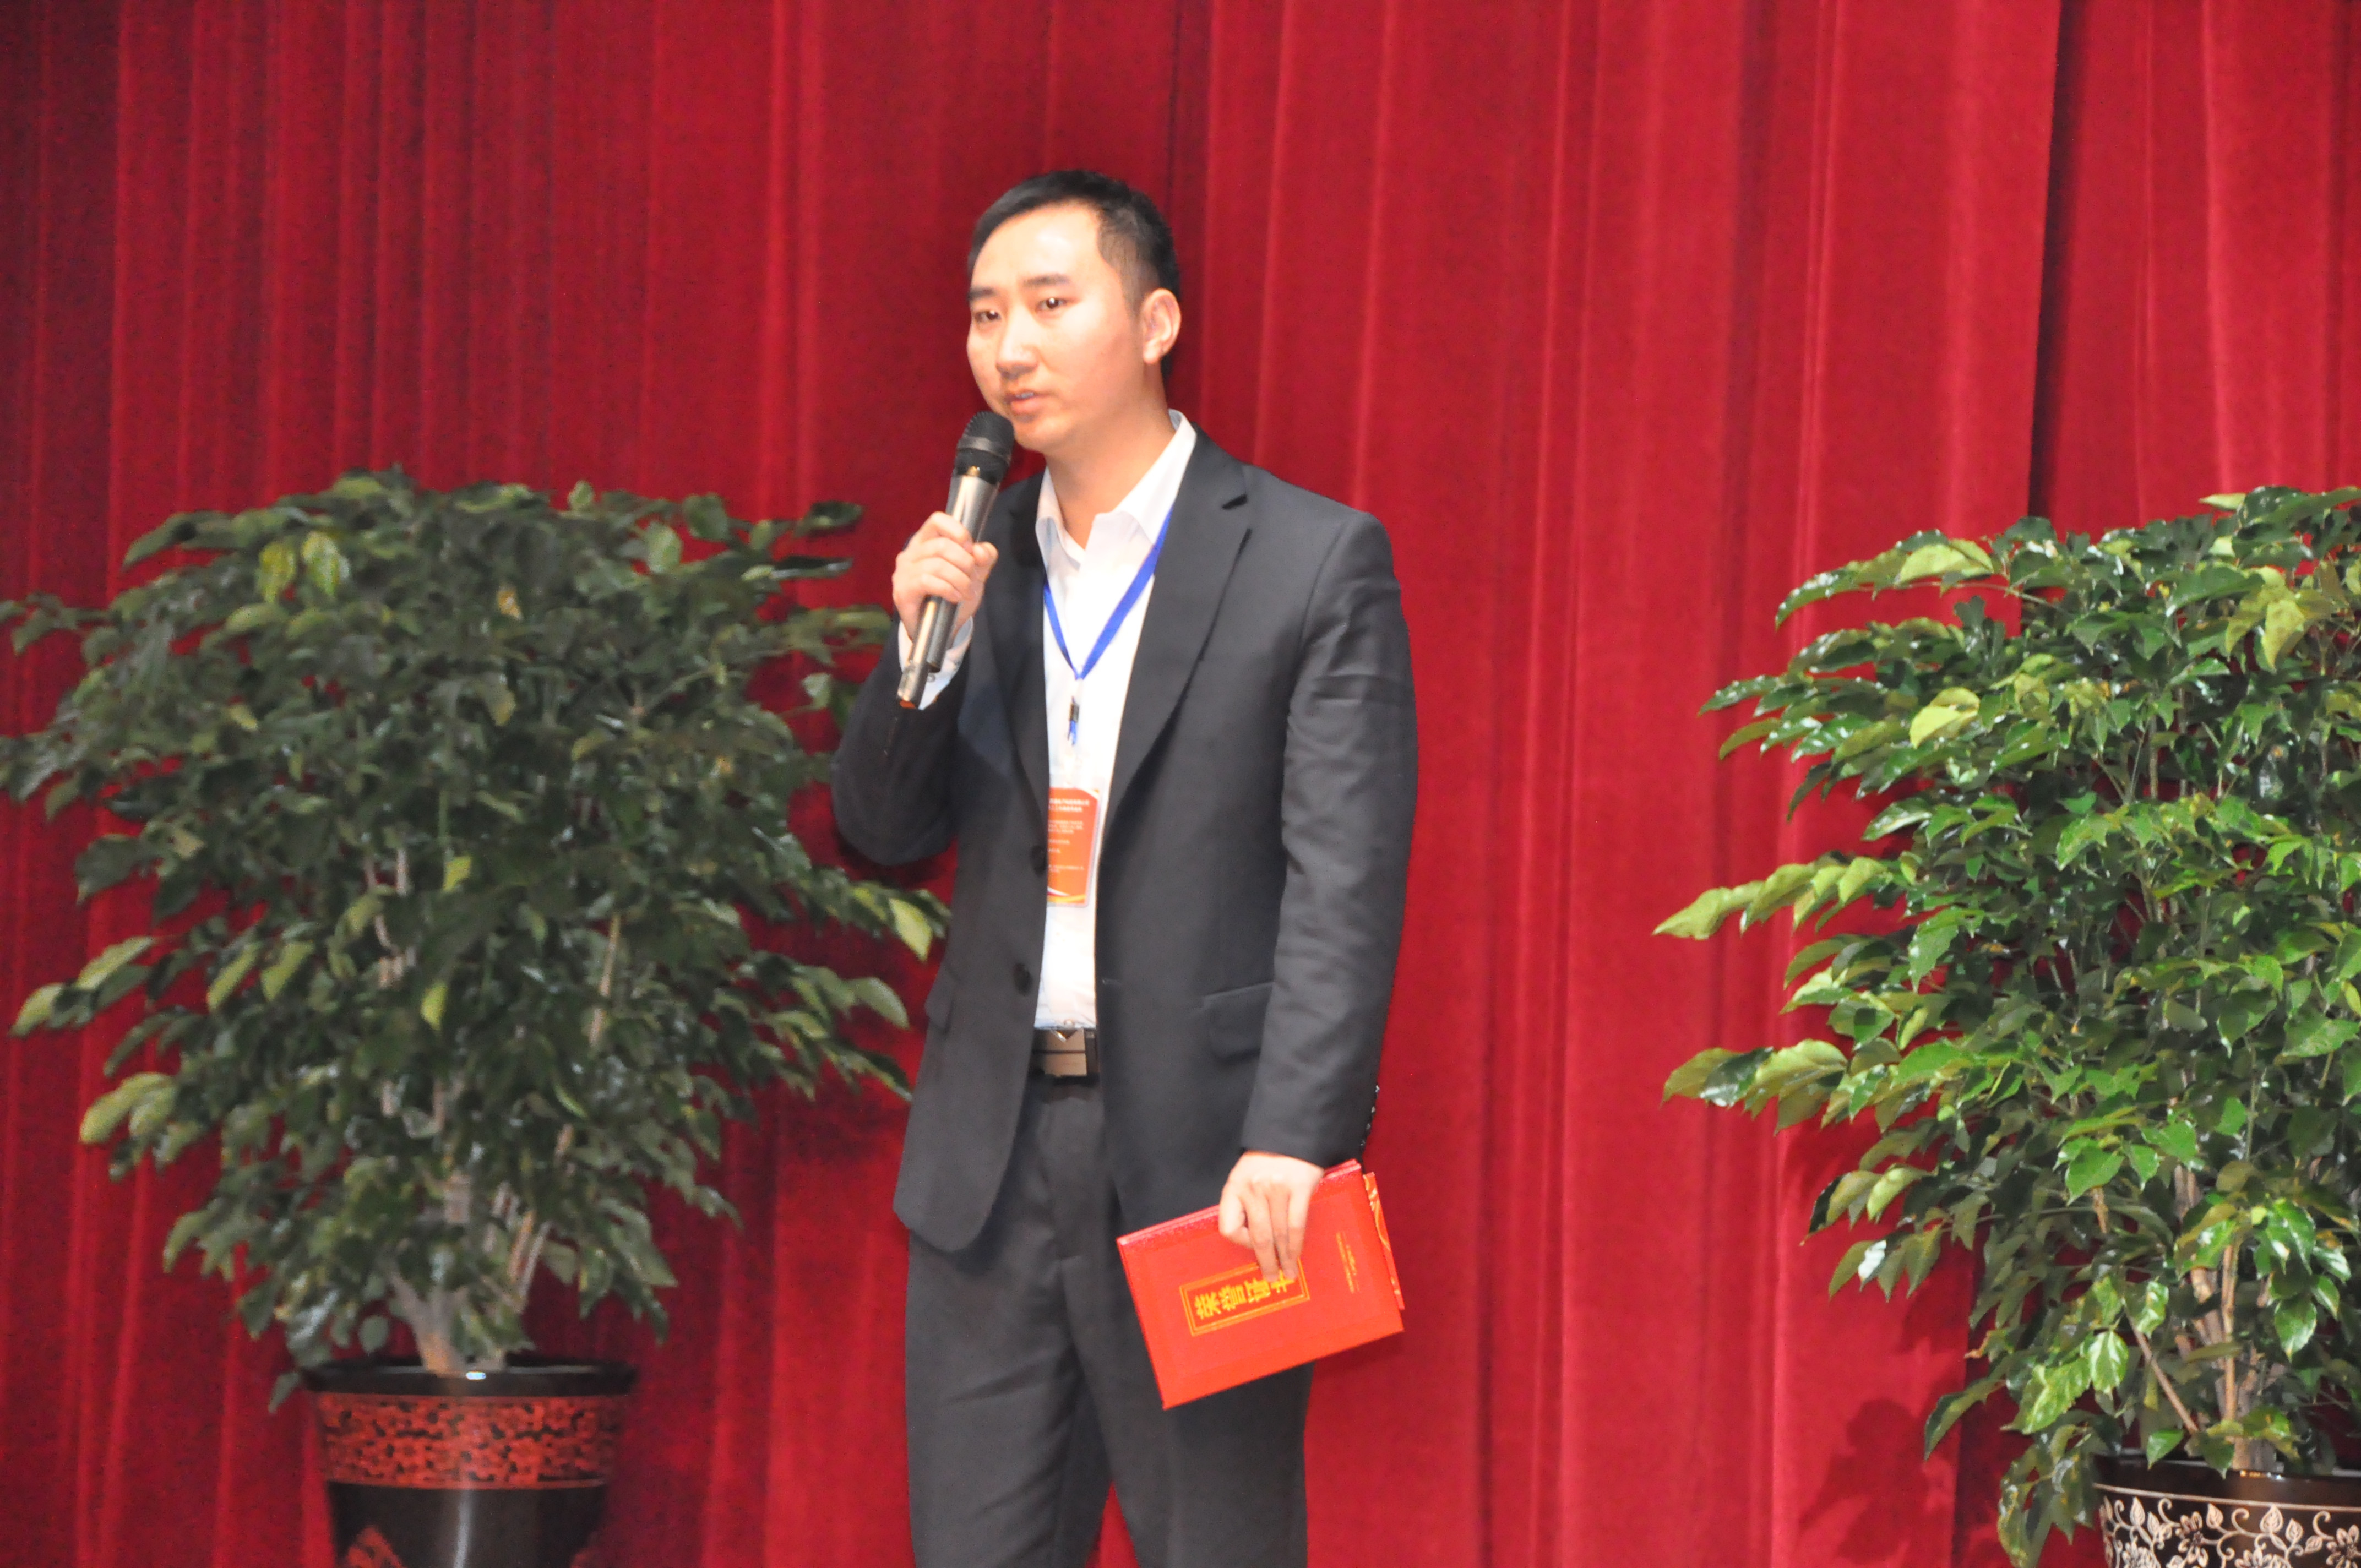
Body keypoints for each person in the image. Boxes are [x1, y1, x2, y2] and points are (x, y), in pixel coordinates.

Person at [831, 168, 1417, 1568]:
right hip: (991, 1162)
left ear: (1154, 322)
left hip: (1207, 1164)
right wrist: (918, 651)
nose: (1008, 347)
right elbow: (880, 826)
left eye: (1048, 303)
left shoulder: (1307, 560)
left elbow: (1342, 882)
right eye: (985, 314)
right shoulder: (979, 563)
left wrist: (1296, 1132)